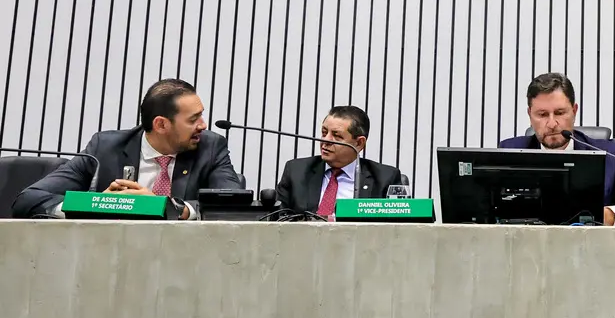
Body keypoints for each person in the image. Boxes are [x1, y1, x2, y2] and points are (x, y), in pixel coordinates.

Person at [12, 79, 241, 220]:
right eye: (193, 119)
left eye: (201, 115)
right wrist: (96, 206)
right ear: (161, 124)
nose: (203, 125)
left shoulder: (210, 147)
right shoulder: (104, 148)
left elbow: (232, 208)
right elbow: (28, 200)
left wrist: (164, 206)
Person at [499, 73, 615, 223]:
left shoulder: (611, 156)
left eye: (560, 113)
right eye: (542, 115)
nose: (552, 124)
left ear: (574, 111)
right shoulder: (509, 152)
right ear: (530, 115)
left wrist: (613, 215)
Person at [275, 105, 404, 220]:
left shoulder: (385, 178)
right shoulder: (296, 171)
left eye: (337, 136)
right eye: (324, 133)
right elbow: (279, 220)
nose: (326, 140)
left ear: (359, 143)